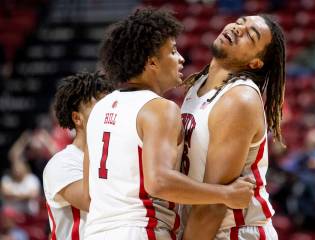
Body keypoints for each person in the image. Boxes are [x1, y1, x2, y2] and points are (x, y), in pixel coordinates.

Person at [84, 8, 255, 240]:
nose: (181, 58)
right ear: (152, 62)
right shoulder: (159, 108)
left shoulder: (99, 109)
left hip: (94, 231)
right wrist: (225, 194)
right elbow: (159, 181)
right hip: (142, 230)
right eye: (173, 51)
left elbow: (88, 192)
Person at [180, 14, 286, 240]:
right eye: (240, 22)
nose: (238, 29)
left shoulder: (240, 99)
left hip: (235, 231)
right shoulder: (199, 85)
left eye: (251, 34)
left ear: (255, 63)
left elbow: (215, 203)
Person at [42, 72, 113, 239]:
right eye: (101, 105)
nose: (109, 112)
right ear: (77, 118)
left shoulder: (116, 156)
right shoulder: (62, 163)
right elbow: (93, 203)